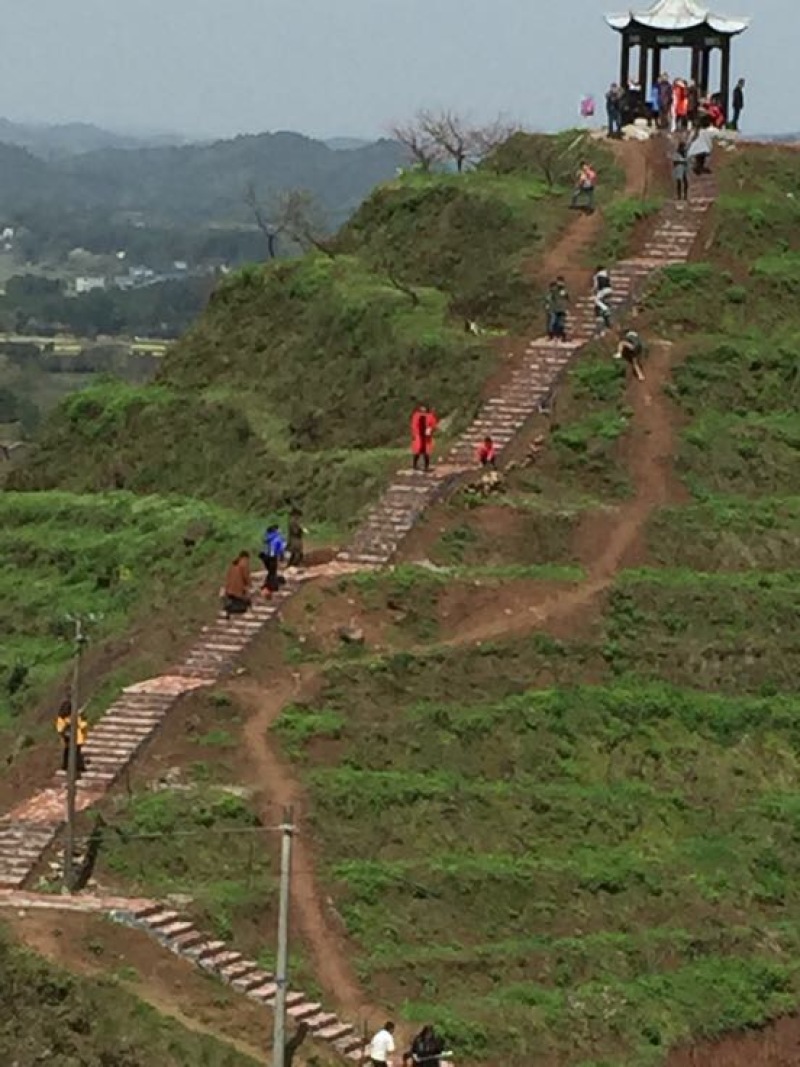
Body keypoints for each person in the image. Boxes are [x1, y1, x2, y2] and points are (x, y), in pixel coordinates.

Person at [55, 698, 87, 777]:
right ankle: (76, 768)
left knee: (69, 752)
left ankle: (68, 766)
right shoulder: (68, 718)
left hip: (73, 737)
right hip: (71, 738)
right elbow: (81, 725)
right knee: (74, 753)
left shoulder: (70, 717)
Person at [223, 551, 252, 618]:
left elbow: (228, 577)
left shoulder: (233, 564)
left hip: (229, 590)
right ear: (245, 557)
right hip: (237, 591)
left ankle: (230, 606)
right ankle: (233, 608)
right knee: (244, 606)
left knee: (236, 600)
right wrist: (250, 585)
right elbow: (246, 577)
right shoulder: (244, 564)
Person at [260, 524, 286, 596]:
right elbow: (280, 549)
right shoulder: (277, 538)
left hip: (265, 556)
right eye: (279, 529)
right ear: (276, 530)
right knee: (273, 572)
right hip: (272, 557)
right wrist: (282, 557)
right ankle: (272, 586)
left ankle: (268, 584)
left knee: (271, 571)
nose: (280, 530)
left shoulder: (267, 537)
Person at [410, 404, 438, 472]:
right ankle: (414, 465)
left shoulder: (430, 416)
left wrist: (430, 429)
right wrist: (414, 434)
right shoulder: (416, 415)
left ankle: (426, 466)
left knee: (426, 453)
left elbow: (434, 425)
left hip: (426, 437)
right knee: (417, 452)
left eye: (424, 408)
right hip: (419, 436)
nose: (423, 409)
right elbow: (413, 425)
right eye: (422, 408)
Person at [592, 265, 613, 332]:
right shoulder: (606, 274)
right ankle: (606, 308)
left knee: (596, 300)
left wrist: (593, 290)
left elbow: (596, 286)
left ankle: (604, 308)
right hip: (609, 290)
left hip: (603, 290)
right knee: (603, 300)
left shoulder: (596, 276)